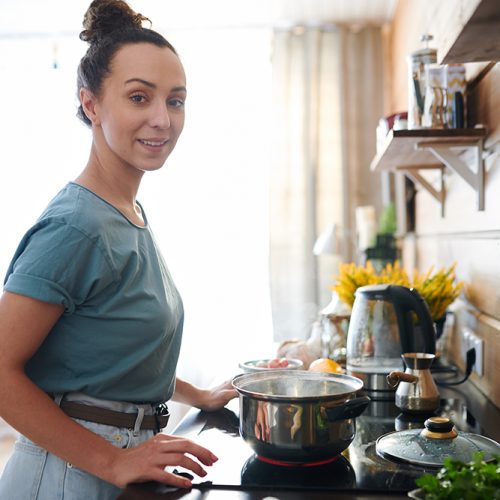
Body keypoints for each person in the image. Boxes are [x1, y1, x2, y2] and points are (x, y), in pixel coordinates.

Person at [0, 1, 237, 498]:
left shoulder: (125, 214)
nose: (162, 120)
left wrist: (198, 395)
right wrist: (111, 461)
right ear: (92, 105)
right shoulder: (76, 227)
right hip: (70, 473)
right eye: (138, 97)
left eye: (175, 101)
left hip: (118, 457)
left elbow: (117, 351)